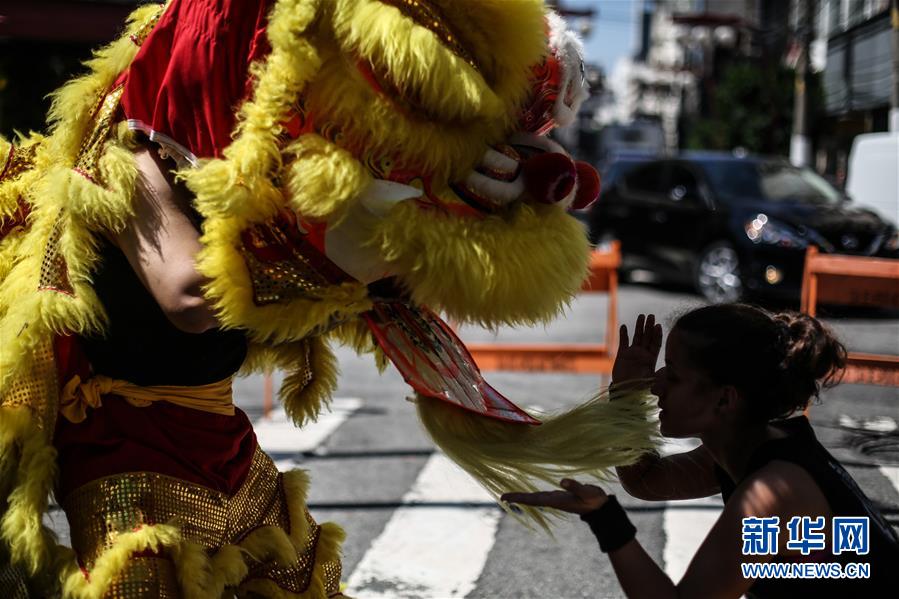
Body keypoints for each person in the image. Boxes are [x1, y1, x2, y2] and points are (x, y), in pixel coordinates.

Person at [503, 305, 899, 597]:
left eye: (672, 374)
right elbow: (647, 480)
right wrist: (625, 396)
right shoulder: (753, 443)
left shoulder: (773, 492)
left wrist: (606, 520)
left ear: (725, 399)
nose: (655, 383)